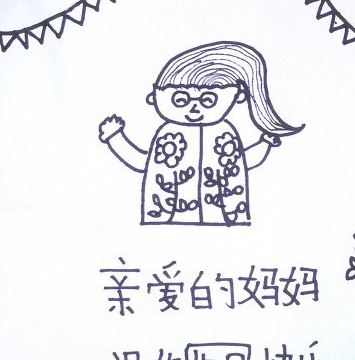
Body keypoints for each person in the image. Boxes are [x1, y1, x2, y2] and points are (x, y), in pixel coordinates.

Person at [98, 40, 303, 226]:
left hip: (225, 224)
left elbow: (240, 162)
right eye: (180, 99)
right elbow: (144, 163)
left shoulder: (225, 134)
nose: (194, 108)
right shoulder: (168, 134)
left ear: (237, 97)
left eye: (208, 100)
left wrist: (264, 144)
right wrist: (115, 138)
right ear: (154, 98)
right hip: (165, 226)